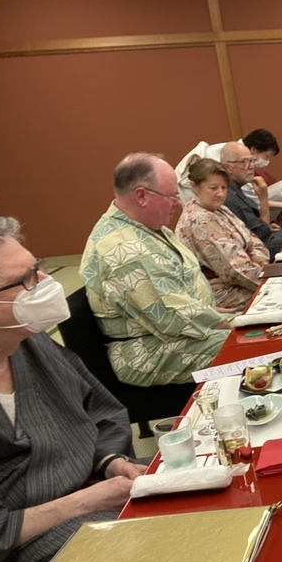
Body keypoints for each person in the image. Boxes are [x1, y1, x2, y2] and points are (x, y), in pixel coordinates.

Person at [0, 214, 143, 562]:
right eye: (25, 281)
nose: (45, 285)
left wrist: (110, 461)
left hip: (90, 487)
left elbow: (97, 409)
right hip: (18, 552)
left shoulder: (30, 343)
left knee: (203, 488)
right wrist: (85, 502)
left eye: (37, 268)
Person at [80, 153, 230, 387]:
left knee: (264, 338)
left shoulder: (146, 226)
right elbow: (174, 318)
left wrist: (207, 307)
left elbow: (177, 294)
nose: (178, 203)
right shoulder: (124, 248)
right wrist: (240, 321)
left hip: (173, 333)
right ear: (141, 196)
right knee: (259, 344)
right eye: (171, 196)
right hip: (147, 352)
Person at [174, 158, 269, 310]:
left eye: (224, 188)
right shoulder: (198, 218)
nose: (220, 194)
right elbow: (234, 269)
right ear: (194, 187)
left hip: (246, 276)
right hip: (220, 291)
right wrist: (270, 278)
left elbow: (253, 240)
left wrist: (260, 259)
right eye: (213, 188)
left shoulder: (219, 209)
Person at [221, 141, 282, 256]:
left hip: (264, 241)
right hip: (259, 250)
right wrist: (263, 199)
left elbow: (259, 228)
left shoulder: (237, 189)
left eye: (251, 161)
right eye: (244, 162)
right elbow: (261, 235)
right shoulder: (230, 196)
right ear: (228, 167)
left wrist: (266, 226)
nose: (251, 167)